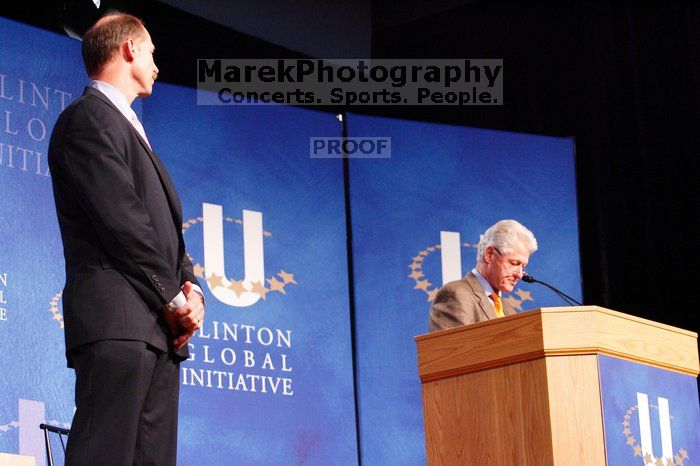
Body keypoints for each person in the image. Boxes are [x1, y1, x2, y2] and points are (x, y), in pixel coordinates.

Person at [48, 13, 205, 465]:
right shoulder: (87, 120)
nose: (157, 64)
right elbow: (124, 224)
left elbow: (162, 229)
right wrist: (175, 301)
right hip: (118, 323)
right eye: (152, 51)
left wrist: (192, 289)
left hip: (158, 331)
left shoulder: (130, 128)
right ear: (130, 49)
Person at [428, 219, 537, 332]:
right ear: (489, 255)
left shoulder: (509, 310)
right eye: (514, 263)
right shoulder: (456, 295)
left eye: (523, 267)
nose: (519, 274)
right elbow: (452, 349)